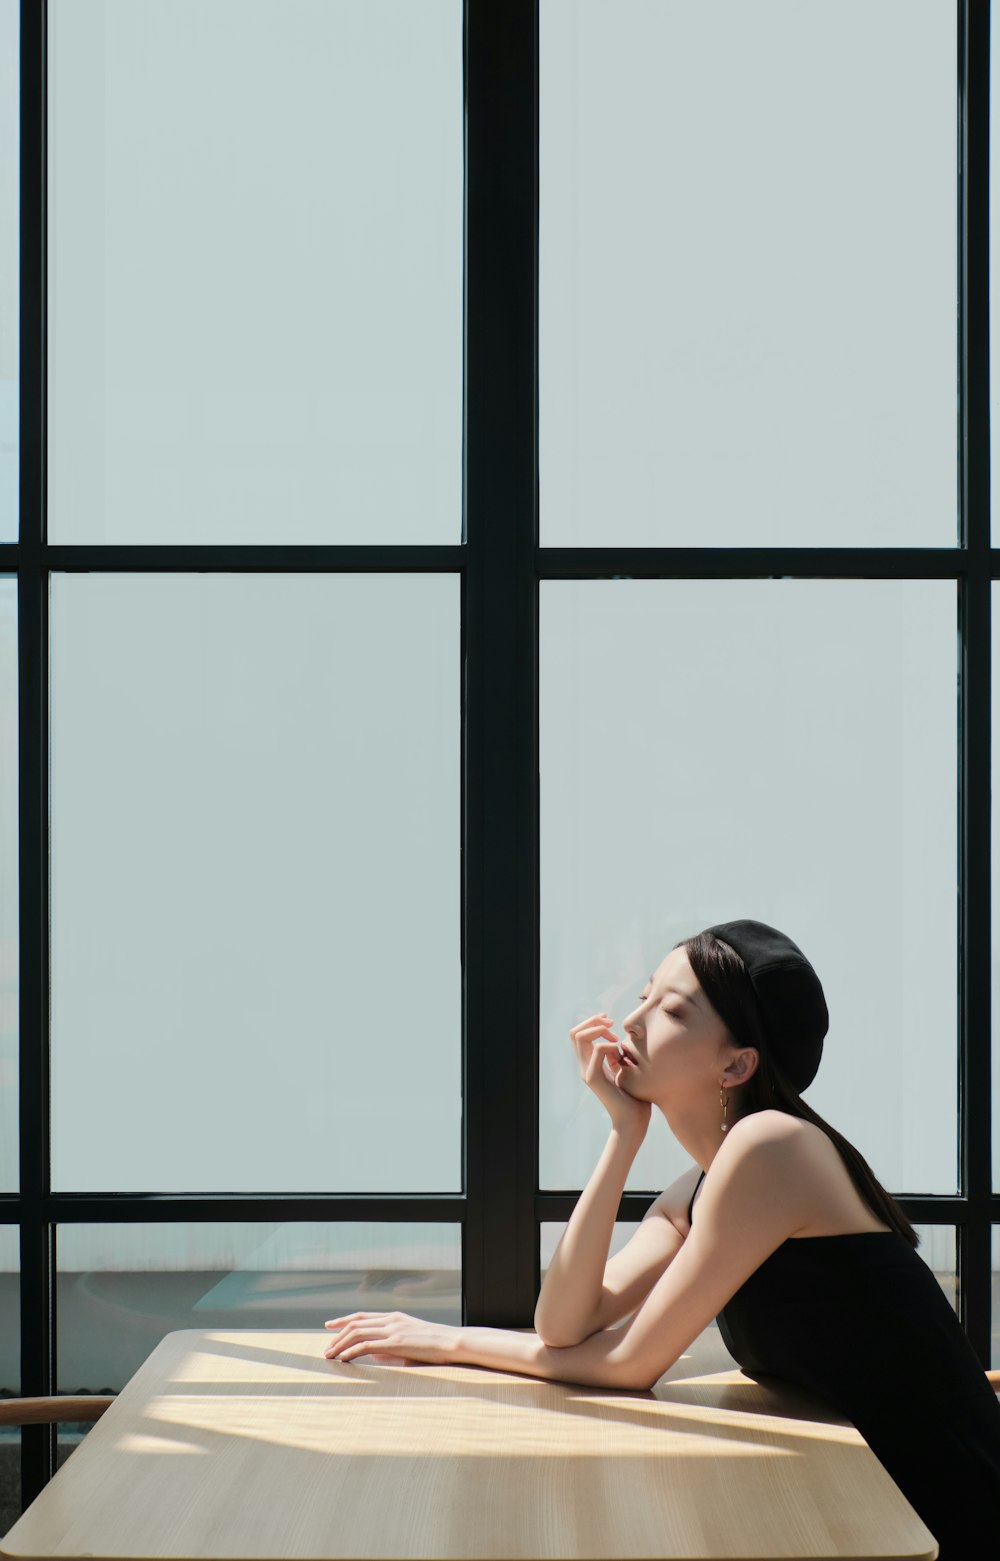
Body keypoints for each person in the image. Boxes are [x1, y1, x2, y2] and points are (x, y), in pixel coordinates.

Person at [323, 917, 1000, 1557]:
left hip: (947, 1510)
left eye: (672, 1010)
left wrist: (446, 1340)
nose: (633, 1020)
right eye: (644, 995)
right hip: (874, 1499)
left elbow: (630, 1365)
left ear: (736, 1066)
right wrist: (623, 1133)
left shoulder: (772, 1146)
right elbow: (565, 1323)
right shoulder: (701, 1184)